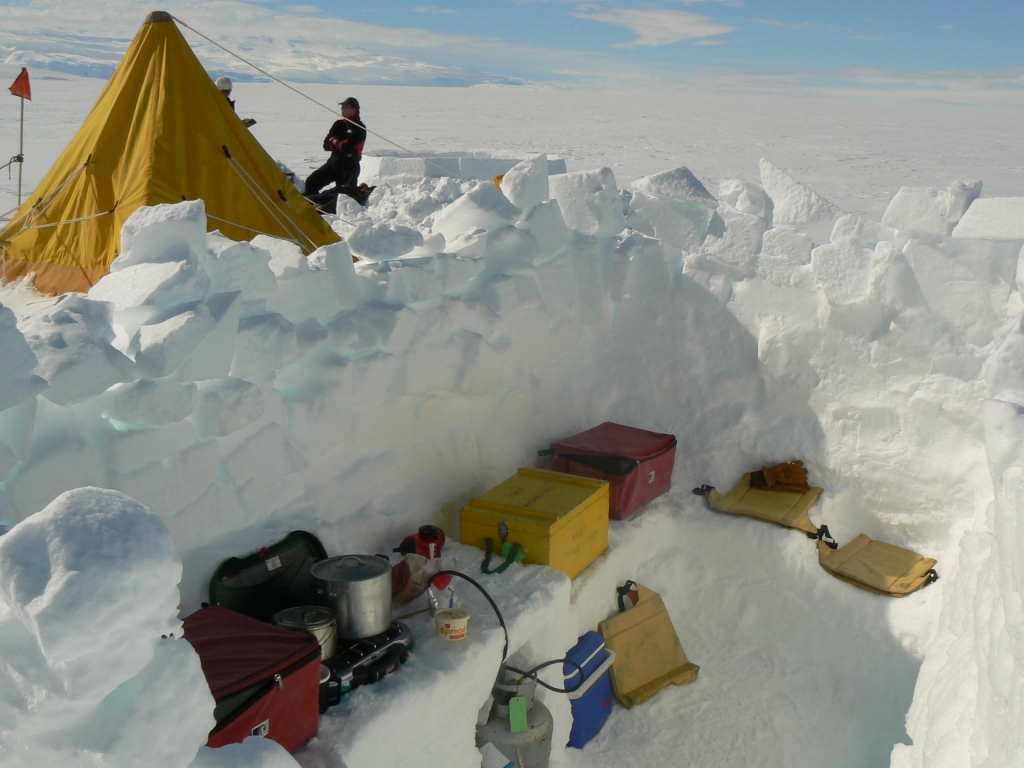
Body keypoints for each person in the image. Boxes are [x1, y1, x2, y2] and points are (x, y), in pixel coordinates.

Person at [305, 97, 366, 198]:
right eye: (342, 107)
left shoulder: (360, 128)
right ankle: (313, 204)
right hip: (333, 164)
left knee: (345, 195)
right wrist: (338, 143)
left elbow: (346, 147)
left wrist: (334, 141)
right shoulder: (338, 124)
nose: (342, 109)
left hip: (349, 167)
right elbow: (326, 145)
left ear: (354, 109)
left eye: (345, 107)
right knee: (311, 182)